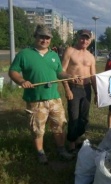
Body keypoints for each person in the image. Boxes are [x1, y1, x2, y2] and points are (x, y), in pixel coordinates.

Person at [9, 24, 79, 164]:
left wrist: (69, 75)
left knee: (59, 125)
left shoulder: (53, 55)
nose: (45, 40)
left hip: (54, 98)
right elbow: (13, 71)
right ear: (36, 36)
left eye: (47, 38)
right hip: (36, 99)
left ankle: (61, 149)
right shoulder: (25, 54)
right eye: (42, 37)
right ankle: (40, 153)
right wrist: (22, 80)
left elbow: (60, 72)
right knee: (37, 128)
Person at [62, 29, 97, 154]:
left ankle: (78, 138)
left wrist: (97, 93)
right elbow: (62, 71)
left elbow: (93, 76)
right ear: (78, 38)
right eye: (82, 38)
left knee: (84, 118)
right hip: (74, 88)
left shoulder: (91, 56)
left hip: (87, 89)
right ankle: (71, 142)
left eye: (87, 39)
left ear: (90, 40)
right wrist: (67, 89)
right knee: (73, 116)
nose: (84, 41)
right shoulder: (70, 51)